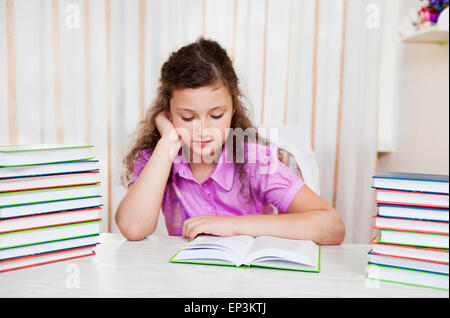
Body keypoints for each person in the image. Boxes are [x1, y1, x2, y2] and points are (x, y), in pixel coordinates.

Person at [115, 37, 345, 244]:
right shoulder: (158, 158)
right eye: (187, 117)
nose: (203, 130)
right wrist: (167, 142)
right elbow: (133, 228)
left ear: (233, 109)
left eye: (216, 116)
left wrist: (231, 225)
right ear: (168, 113)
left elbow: (332, 226)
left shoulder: (255, 161)